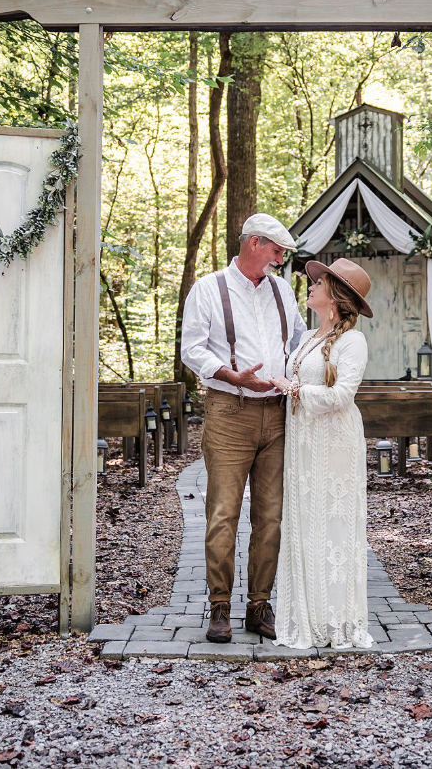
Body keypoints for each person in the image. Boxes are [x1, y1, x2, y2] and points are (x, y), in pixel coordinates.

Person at [180, 214, 307, 643]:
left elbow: (299, 343)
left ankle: (259, 604)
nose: (280, 259)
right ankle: (219, 606)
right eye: (276, 251)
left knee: (271, 515)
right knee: (222, 514)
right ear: (255, 243)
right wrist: (232, 376)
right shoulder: (209, 288)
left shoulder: (283, 291)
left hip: (276, 415)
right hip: (229, 413)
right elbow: (191, 348)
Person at [270, 258, 375, 650]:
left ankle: (336, 621)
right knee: (303, 523)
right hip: (303, 444)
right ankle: (307, 619)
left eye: (319, 283)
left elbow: (342, 395)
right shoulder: (307, 338)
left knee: (332, 527)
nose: (310, 286)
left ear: (335, 296)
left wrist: (293, 390)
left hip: (335, 444)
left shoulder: (353, 341)